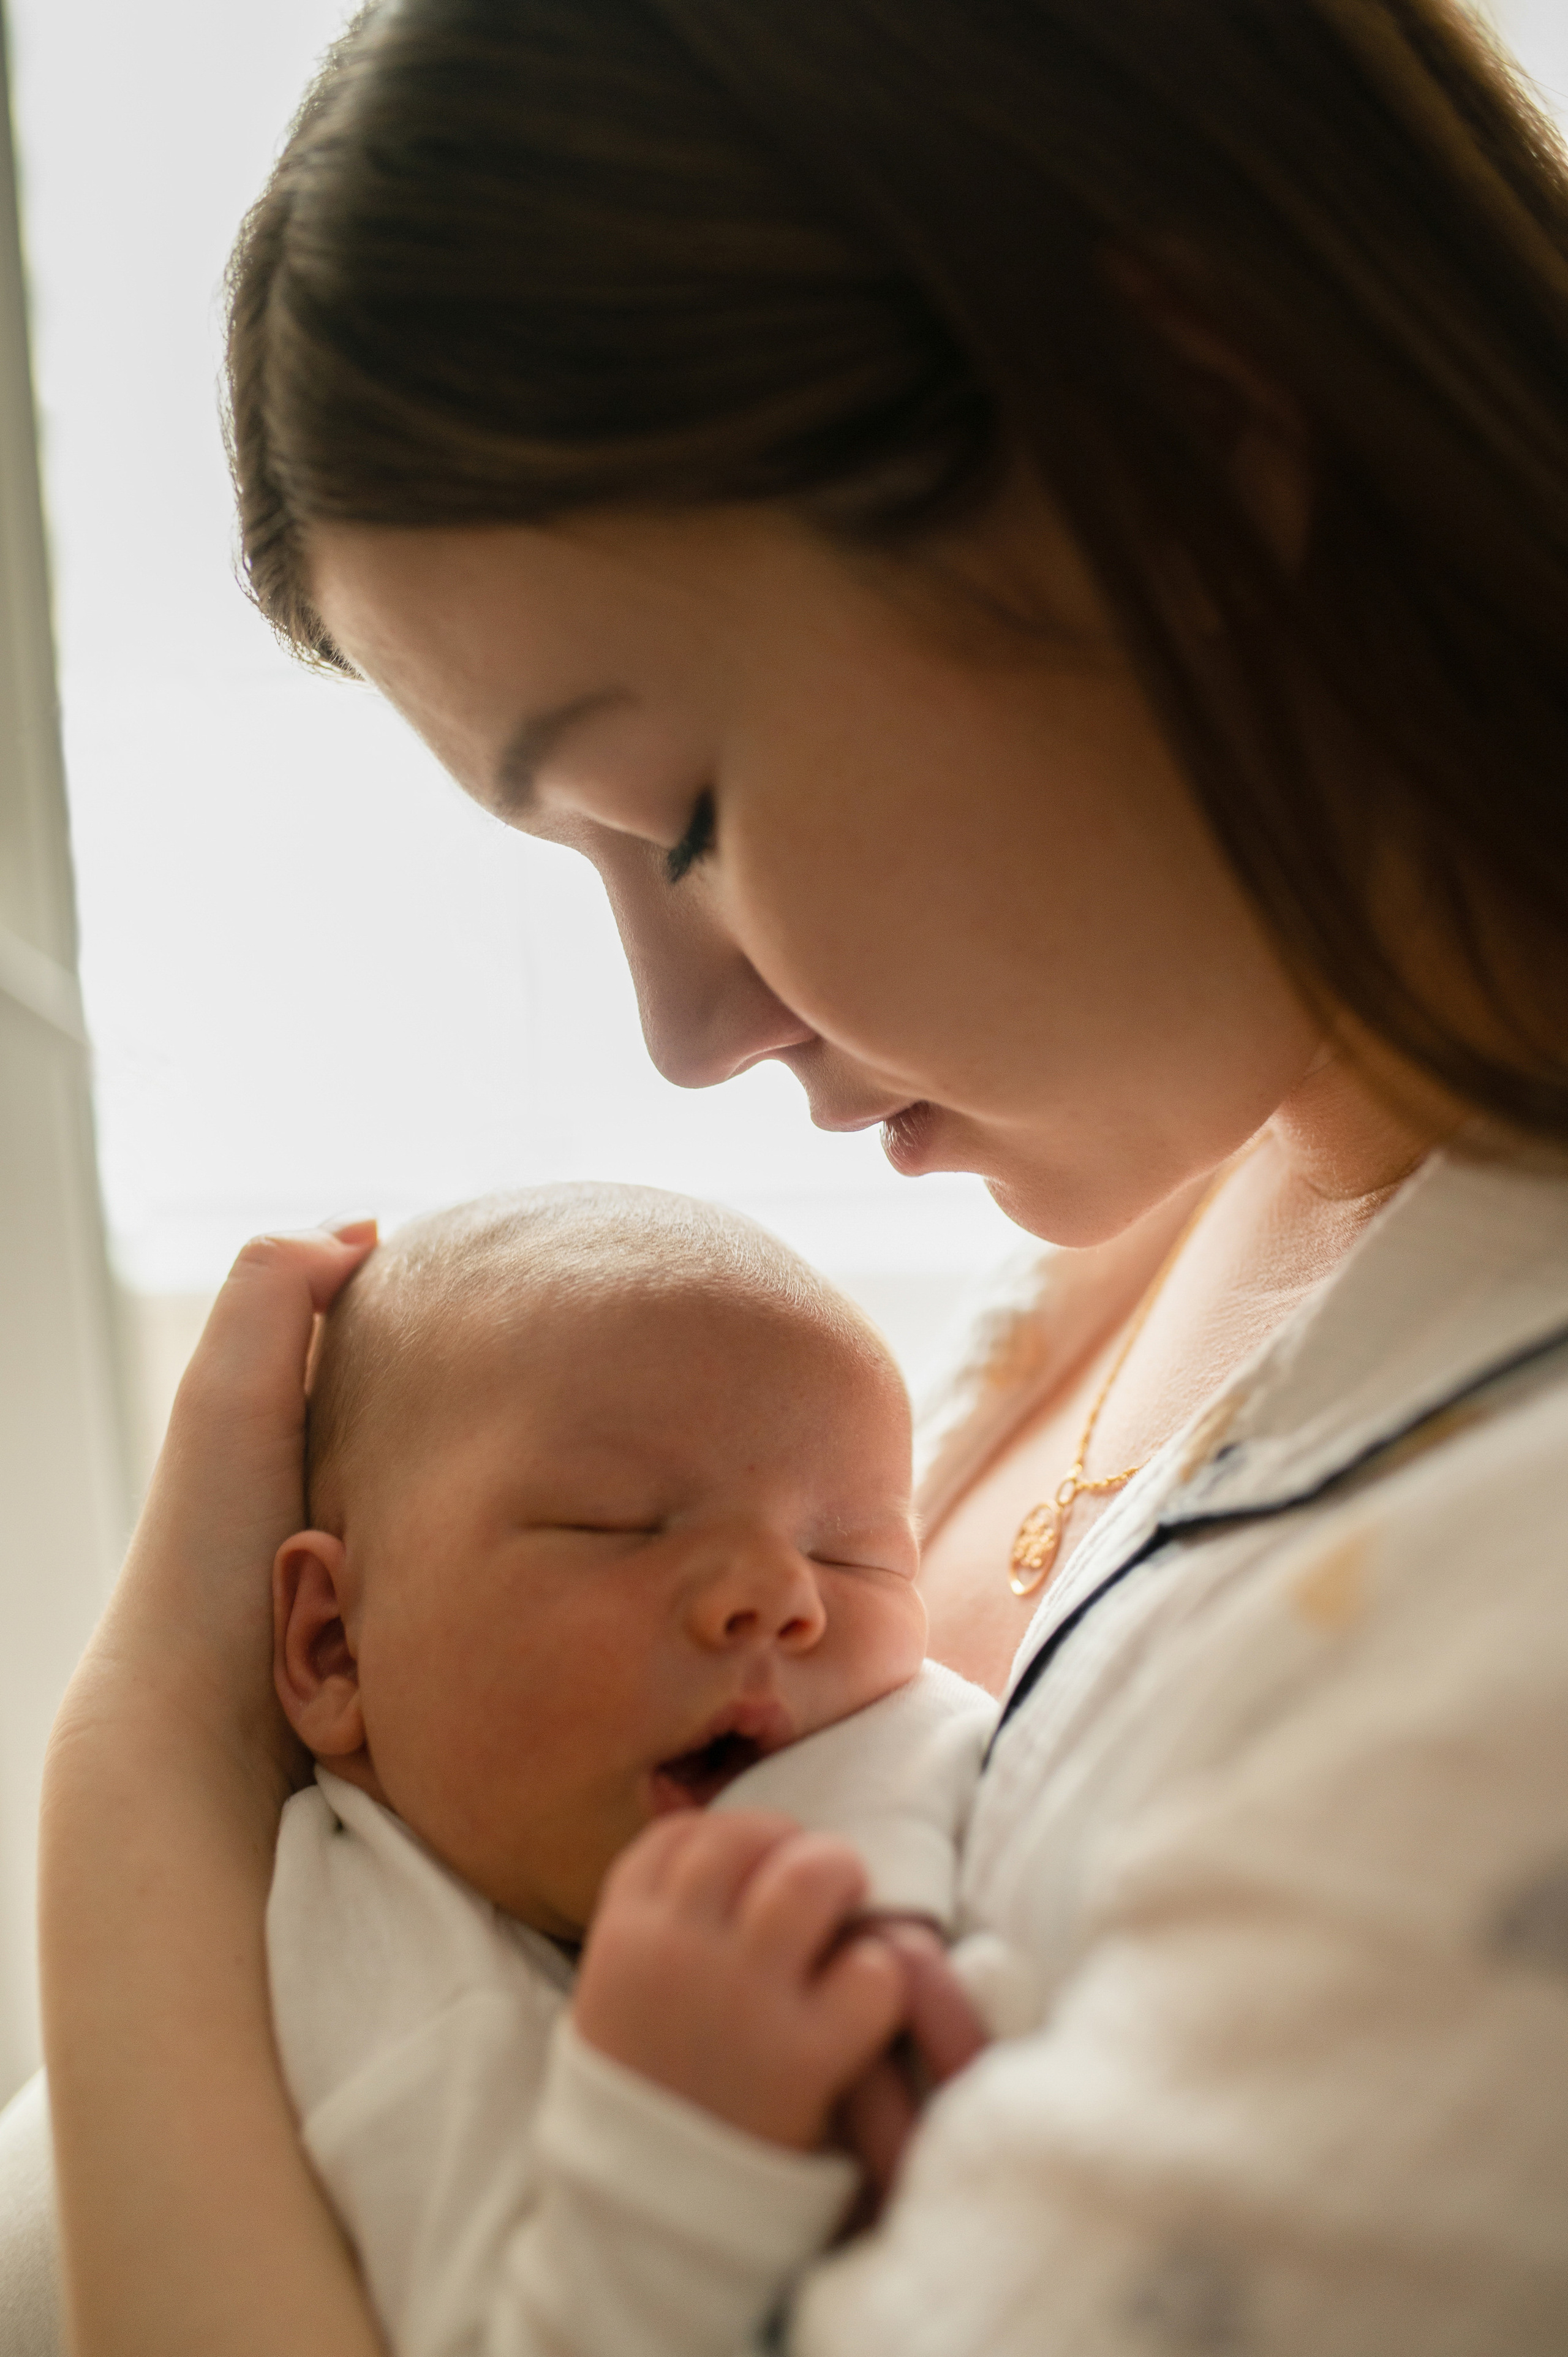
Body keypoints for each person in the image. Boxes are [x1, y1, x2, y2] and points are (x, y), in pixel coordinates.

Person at [32, 0, 1568, 2350]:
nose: (687, 1028)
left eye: (692, 820)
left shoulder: (1504, 1635)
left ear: (1185, 438)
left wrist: (144, 1788)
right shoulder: (1244, 1165)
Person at [264, 1184, 995, 2357]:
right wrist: (674, 2155)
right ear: (337, 1645)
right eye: (619, 1525)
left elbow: (934, 1718)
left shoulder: (778, 1729)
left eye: (853, 1553)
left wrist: (882, 1880)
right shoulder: (396, 1985)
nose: (785, 1595)